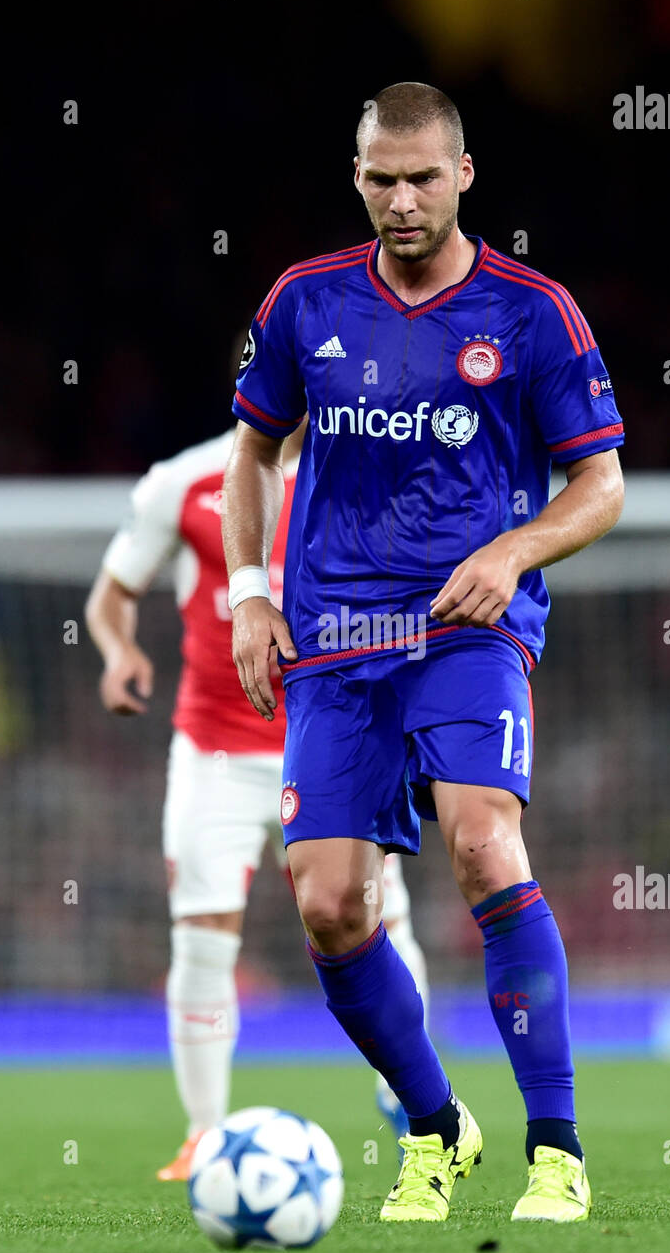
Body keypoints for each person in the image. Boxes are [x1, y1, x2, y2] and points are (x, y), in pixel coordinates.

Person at [222, 82, 625, 1222]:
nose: (400, 199)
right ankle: (437, 1129)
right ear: (356, 179)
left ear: (461, 175)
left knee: (485, 844)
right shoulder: (303, 303)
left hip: (465, 625)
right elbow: (251, 454)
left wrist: (513, 550)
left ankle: (557, 1152)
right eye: (378, 178)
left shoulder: (532, 311)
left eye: (420, 177)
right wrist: (250, 592)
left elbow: (599, 484)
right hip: (332, 638)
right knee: (329, 906)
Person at [85, 415, 428, 1180]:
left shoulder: (372, 476)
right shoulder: (184, 483)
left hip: (334, 742)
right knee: (204, 935)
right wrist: (118, 651)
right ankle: (204, 1135)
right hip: (216, 751)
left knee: (378, 916)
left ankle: (411, 1099)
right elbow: (111, 596)